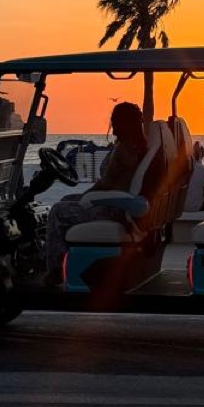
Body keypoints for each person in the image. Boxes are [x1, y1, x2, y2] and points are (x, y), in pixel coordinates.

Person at [46, 103, 149, 278]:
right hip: (117, 204)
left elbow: (105, 183)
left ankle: (55, 269)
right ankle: (66, 259)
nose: (113, 125)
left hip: (111, 208)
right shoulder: (136, 146)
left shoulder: (123, 150)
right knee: (66, 199)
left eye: (115, 121)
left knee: (57, 211)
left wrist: (84, 198)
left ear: (123, 123)